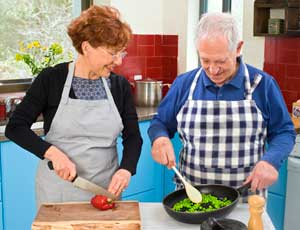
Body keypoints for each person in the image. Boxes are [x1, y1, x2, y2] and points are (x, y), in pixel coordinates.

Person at [5, 5, 142, 208]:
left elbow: (133, 137)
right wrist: (52, 153)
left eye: (121, 53)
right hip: (58, 192)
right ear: (86, 48)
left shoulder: (119, 86)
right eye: (112, 53)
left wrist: (126, 169)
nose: (118, 61)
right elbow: (15, 128)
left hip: (105, 191)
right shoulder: (51, 79)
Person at [148, 12, 296, 196]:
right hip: (191, 199)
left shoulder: (263, 85)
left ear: (238, 48)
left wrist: (271, 161)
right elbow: (160, 123)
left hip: (245, 200)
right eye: (205, 60)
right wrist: (160, 139)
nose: (213, 69)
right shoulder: (184, 84)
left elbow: (284, 132)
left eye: (221, 61)